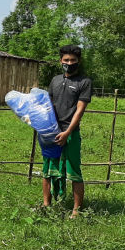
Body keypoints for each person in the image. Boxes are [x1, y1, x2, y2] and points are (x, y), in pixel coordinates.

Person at [42, 44, 92, 218]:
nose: (69, 63)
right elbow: (47, 105)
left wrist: (67, 132)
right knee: (48, 169)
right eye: (66, 60)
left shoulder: (84, 82)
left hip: (70, 133)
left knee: (74, 171)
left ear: (79, 61)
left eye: (73, 60)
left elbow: (80, 110)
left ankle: (76, 210)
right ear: (60, 61)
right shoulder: (55, 80)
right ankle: (46, 205)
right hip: (52, 132)